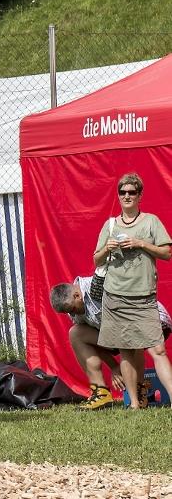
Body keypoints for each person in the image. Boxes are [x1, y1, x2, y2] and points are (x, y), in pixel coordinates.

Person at [90, 172, 172, 409]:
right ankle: (134, 405)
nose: (127, 196)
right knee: (126, 351)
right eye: (122, 192)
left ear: (139, 195)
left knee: (158, 350)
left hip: (145, 297)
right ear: (118, 195)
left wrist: (141, 244)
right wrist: (107, 247)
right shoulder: (110, 225)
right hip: (115, 297)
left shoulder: (151, 221)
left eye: (131, 192)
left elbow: (167, 253)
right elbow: (96, 260)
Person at [49, 276, 172, 409]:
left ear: (77, 295)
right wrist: (113, 366)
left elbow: (130, 311)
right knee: (76, 333)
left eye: (72, 310)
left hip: (143, 319)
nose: (72, 314)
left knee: (139, 342)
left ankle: (139, 391)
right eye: (68, 312)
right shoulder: (73, 306)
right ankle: (101, 393)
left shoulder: (97, 286)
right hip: (118, 334)